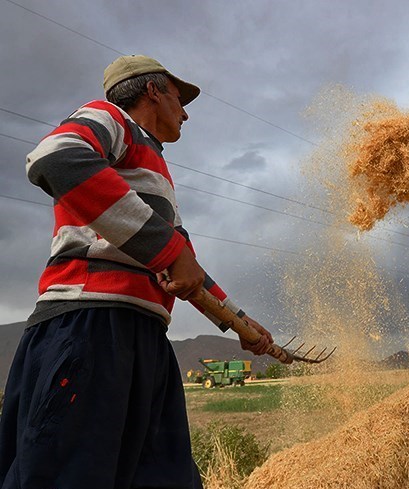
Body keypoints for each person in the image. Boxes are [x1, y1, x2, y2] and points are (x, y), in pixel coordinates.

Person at [0, 55, 274, 489]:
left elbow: (184, 269)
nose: (185, 112)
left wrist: (236, 321)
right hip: (89, 328)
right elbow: (55, 157)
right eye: (179, 98)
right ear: (153, 90)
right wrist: (168, 247)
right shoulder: (110, 119)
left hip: (144, 337)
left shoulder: (156, 169)